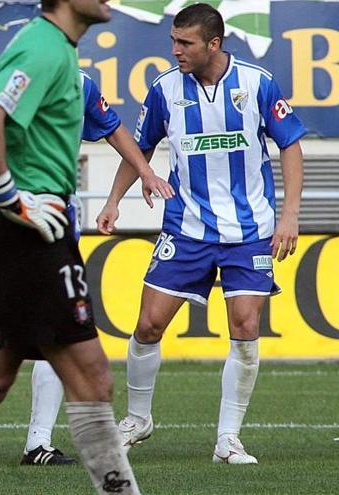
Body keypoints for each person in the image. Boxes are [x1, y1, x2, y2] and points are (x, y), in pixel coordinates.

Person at [0, 0, 142, 492]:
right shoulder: (43, 48)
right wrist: (10, 197)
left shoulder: (53, 47)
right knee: (93, 378)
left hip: (21, 229)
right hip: (32, 231)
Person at [0, 64, 174, 466]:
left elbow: (113, 127)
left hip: (57, 222)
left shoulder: (80, 82)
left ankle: (38, 443)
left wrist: (145, 173)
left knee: (56, 330)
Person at [96, 2, 305, 465]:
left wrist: (290, 215)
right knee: (149, 323)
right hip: (186, 227)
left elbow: (290, 143)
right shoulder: (164, 89)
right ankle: (138, 419)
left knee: (245, 326)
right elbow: (140, 147)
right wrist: (113, 200)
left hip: (249, 229)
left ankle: (228, 438)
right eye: (173, 41)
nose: (175, 51)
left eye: (185, 43)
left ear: (214, 43)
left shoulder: (256, 83)